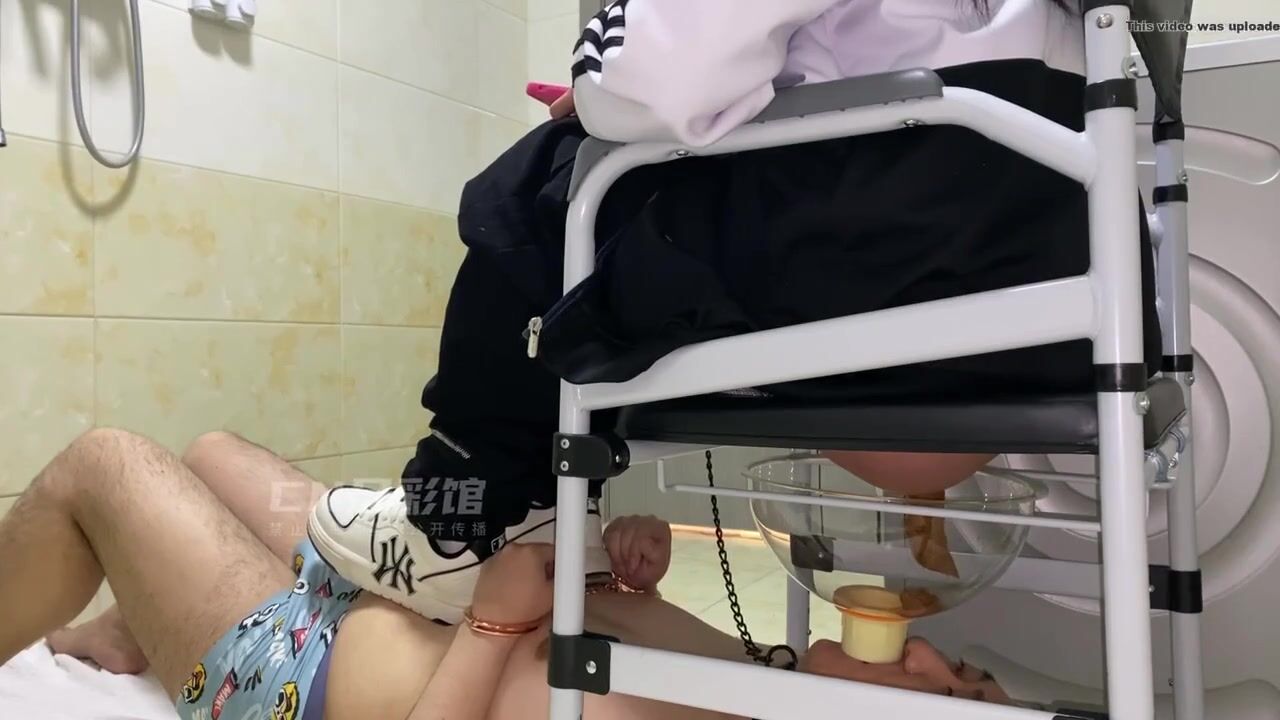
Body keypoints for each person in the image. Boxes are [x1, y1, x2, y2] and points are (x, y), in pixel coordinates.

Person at [305, 0, 1164, 625]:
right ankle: (547, 516)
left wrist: (595, 85)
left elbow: (651, 80)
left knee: (541, 182)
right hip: (1059, 307)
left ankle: (461, 517)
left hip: (888, 254)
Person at [3, 430, 1015, 720]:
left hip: (298, 673)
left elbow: (518, 669)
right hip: (392, 592)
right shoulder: (769, 682)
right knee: (216, 455)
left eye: (945, 693)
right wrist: (626, 578)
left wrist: (491, 625)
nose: (930, 653)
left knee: (105, 464)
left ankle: (153, 624)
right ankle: (132, 628)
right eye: (966, 671)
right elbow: (583, 655)